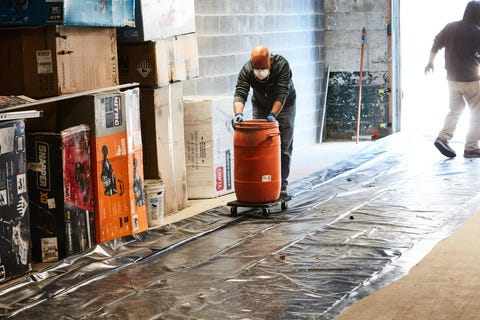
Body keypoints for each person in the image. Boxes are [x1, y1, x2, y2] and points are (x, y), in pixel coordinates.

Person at [233, 45, 296, 196]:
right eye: (257, 68)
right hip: (260, 106)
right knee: (260, 144)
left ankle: (281, 183)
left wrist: (273, 115)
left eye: (263, 67)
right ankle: (261, 180)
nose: (259, 71)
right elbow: (241, 92)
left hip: (284, 106)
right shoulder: (247, 69)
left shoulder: (282, 66)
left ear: (271, 61)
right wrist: (238, 114)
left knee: (284, 145)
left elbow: (282, 94)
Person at [425, 0, 480, 158]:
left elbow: (436, 43)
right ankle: (471, 148)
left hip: (452, 79)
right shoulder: (477, 31)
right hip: (472, 80)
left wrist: (430, 63)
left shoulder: (451, 27)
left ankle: (443, 137)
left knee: (455, 110)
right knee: (477, 113)